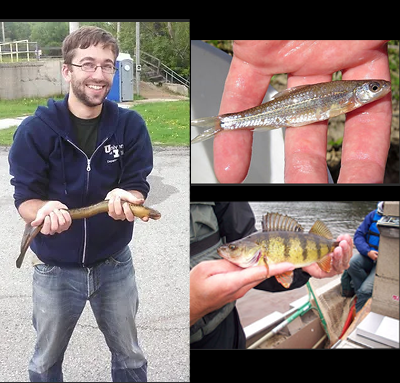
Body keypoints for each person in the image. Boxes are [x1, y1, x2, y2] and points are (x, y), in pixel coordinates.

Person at [8, 26, 152, 382]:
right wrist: (41, 210)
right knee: (44, 364)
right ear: (67, 70)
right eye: (88, 64)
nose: (99, 75)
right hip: (55, 269)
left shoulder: (130, 126)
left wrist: (129, 198)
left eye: (107, 65)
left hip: (114, 263)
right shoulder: (35, 130)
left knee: (131, 358)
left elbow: (136, 185)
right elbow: (25, 198)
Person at [213, 40, 392, 184]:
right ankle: (224, 123)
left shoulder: (351, 95)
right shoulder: (350, 97)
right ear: (357, 91)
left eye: (374, 87)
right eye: (375, 88)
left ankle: (224, 123)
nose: (381, 89)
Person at [190, 202, 353, 349]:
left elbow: (266, 272)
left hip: (228, 329)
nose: (226, 250)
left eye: (233, 248)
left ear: (255, 249)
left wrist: (303, 270)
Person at [347, 202, 384, 312]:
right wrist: (368, 251)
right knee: (352, 263)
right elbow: (358, 236)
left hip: (386, 264)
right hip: (370, 256)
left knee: (365, 290)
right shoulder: (373, 215)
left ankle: (361, 305)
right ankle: (363, 295)